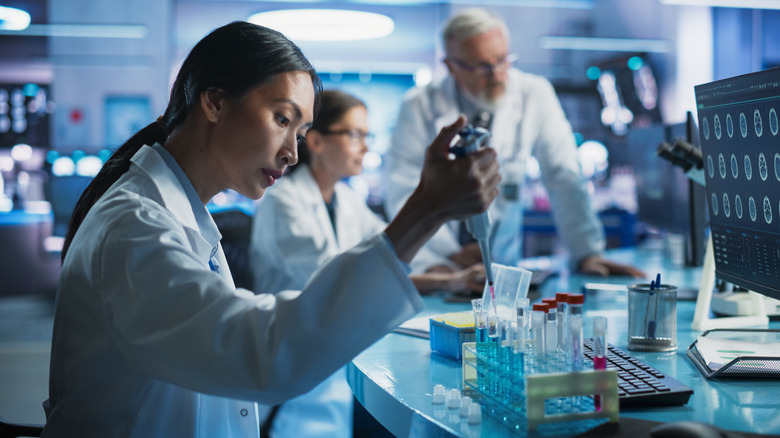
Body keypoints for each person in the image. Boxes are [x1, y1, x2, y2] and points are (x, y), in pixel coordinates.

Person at [42, 21, 500, 438]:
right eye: (282, 119)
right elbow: (259, 353)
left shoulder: (178, 215)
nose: (291, 154)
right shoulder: (134, 227)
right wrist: (425, 211)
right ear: (216, 101)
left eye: (299, 133)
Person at [249, 90, 486, 437]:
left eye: (367, 136)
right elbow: (343, 278)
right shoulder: (284, 202)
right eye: (354, 134)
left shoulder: (346, 200)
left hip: (332, 359)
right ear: (315, 141)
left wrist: (450, 261)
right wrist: (447, 280)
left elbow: (390, 248)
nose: (365, 146)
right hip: (293, 365)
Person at [383, 7, 644, 278]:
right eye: (482, 66)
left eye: (502, 60)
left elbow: (564, 177)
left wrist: (587, 252)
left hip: (502, 262)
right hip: (434, 262)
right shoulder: (418, 106)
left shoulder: (534, 94)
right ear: (451, 66)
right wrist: (449, 254)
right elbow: (403, 189)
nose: (497, 74)